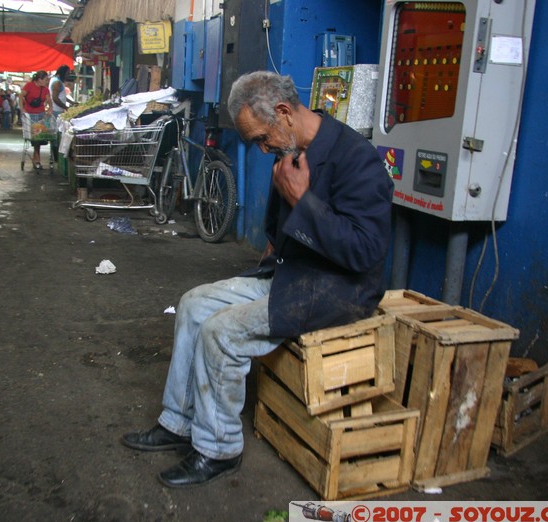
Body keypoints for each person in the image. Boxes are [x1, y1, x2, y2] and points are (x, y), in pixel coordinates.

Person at [120, 71, 394, 488]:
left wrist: (303, 200)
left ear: (284, 112)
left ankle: (218, 449)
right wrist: (263, 269)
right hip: (292, 275)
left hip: (342, 290)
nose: (264, 148)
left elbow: (366, 253)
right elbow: (275, 229)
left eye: (263, 138)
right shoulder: (288, 153)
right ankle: (178, 422)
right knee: (194, 303)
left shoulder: (357, 158)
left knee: (222, 332)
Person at [19, 70, 52, 169]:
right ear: (39, 79)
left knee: (39, 137)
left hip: (41, 114)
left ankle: (36, 158)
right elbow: (21, 96)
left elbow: (49, 100)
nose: (47, 81)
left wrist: (50, 108)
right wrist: (22, 109)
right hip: (30, 115)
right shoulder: (29, 86)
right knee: (35, 138)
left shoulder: (45, 89)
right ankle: (37, 159)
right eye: (45, 80)